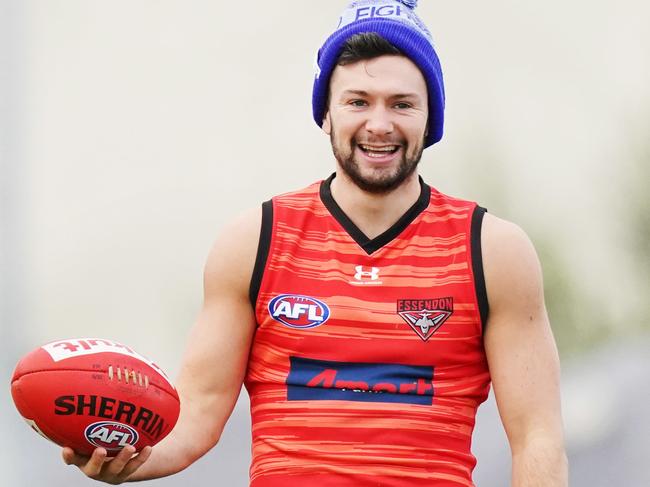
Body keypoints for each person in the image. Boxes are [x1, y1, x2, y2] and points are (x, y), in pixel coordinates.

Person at [63, 1, 568, 485]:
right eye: (357, 102)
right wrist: (127, 454)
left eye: (402, 104)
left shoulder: (492, 251)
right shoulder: (255, 240)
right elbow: (196, 415)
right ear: (325, 112)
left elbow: (537, 439)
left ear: (429, 118)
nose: (379, 123)